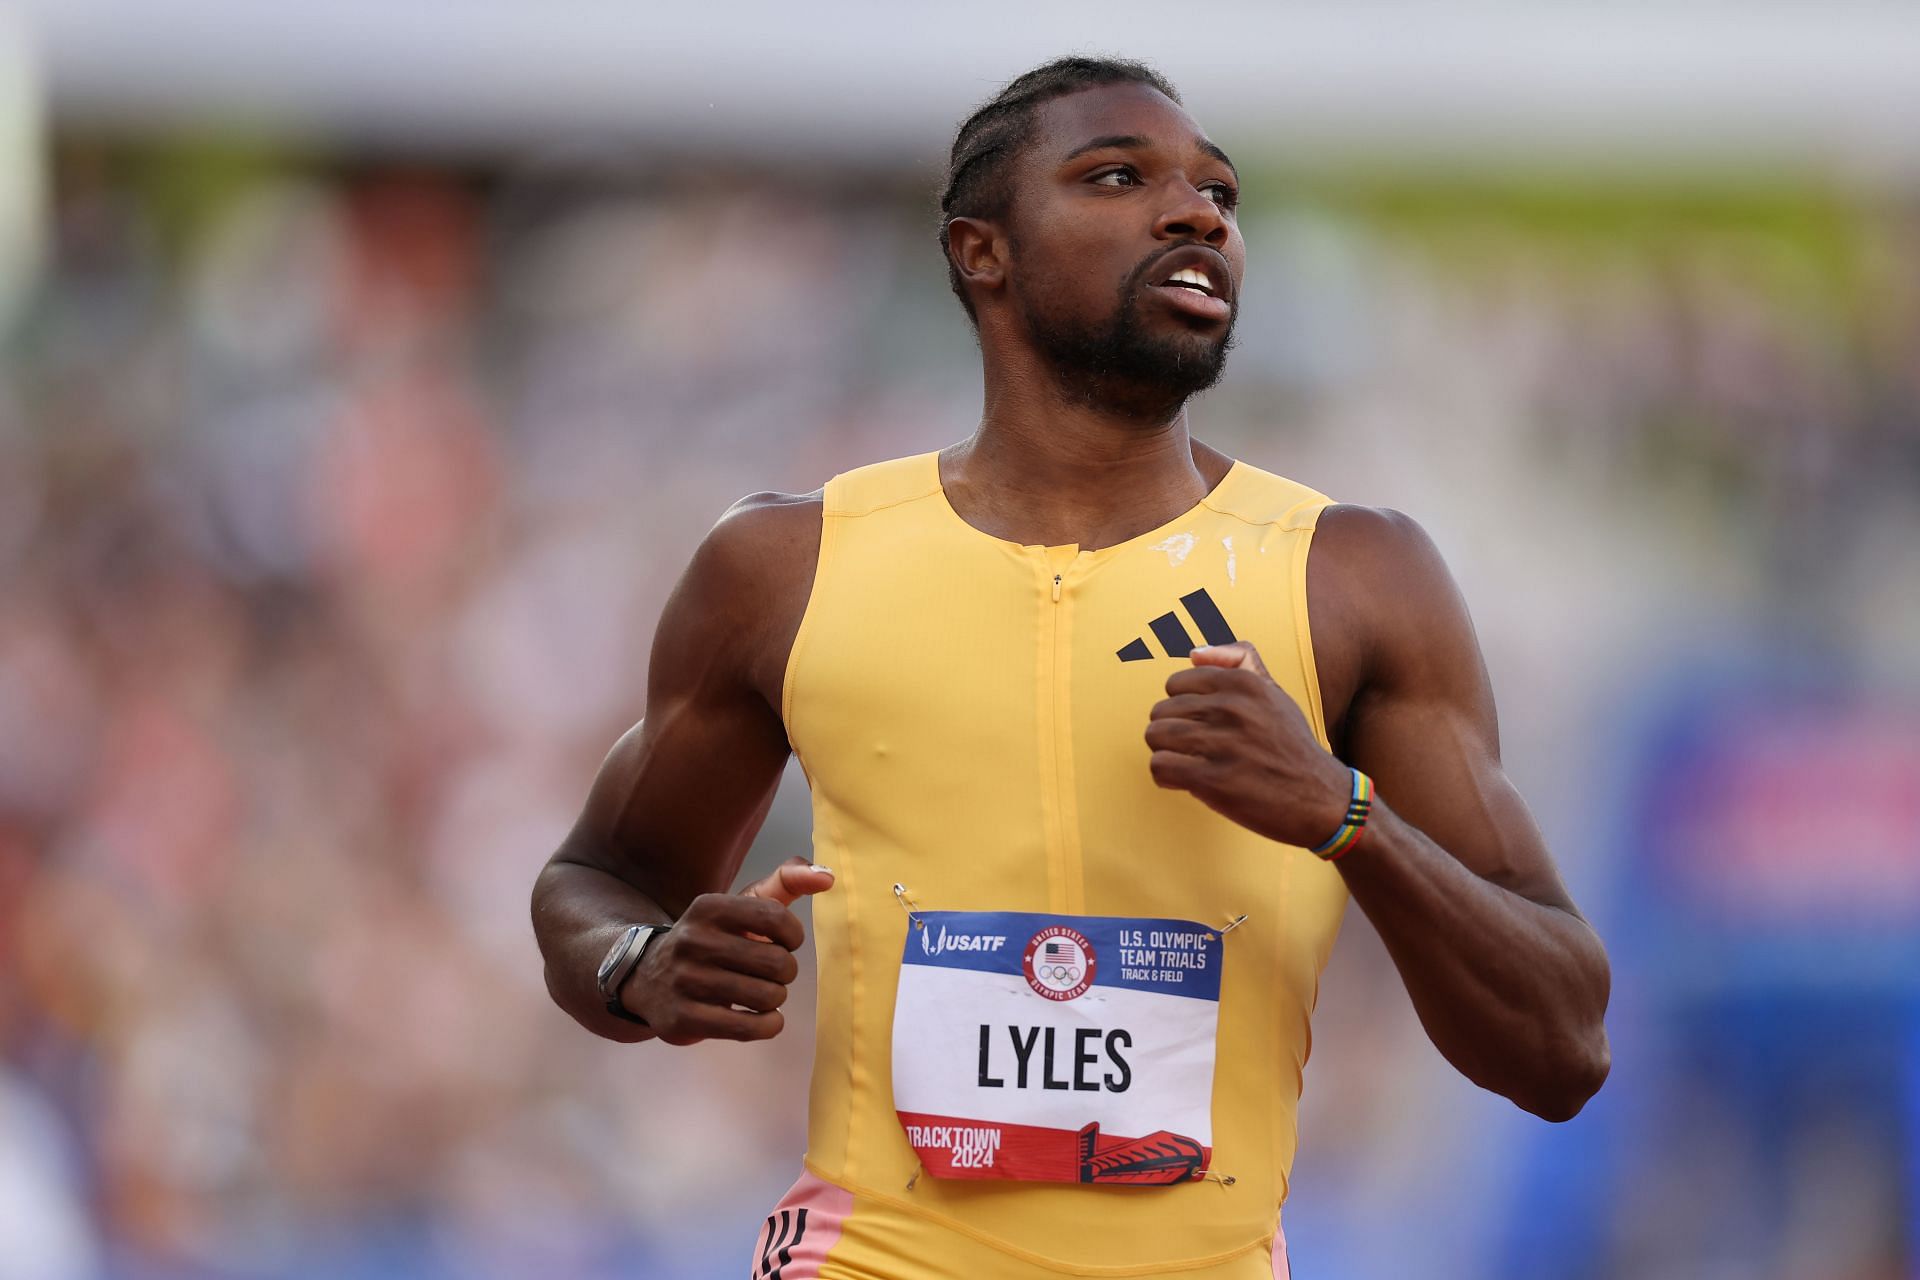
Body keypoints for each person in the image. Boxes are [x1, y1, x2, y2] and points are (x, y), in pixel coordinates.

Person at [530, 56, 1611, 1280]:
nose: (1197, 211)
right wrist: (639, 966)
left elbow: (1563, 1042)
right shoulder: (787, 565)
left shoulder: (1350, 578)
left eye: (1220, 192)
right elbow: (596, 879)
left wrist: (1343, 814)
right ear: (979, 252)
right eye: (1117, 177)